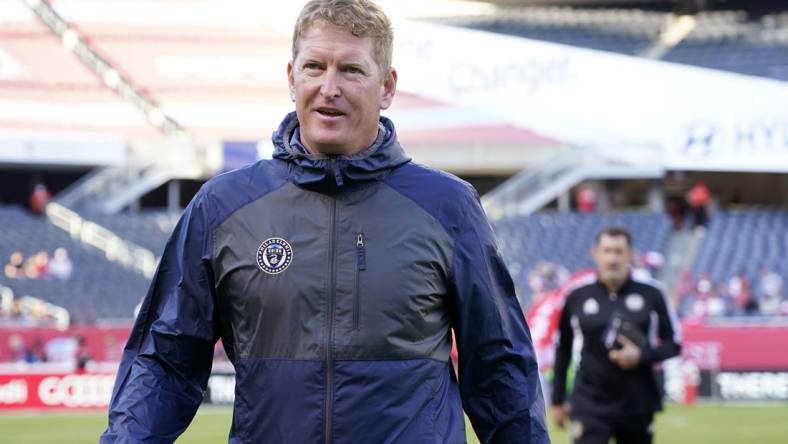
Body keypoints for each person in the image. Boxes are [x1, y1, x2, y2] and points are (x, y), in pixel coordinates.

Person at [101, 1, 548, 442]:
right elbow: (164, 359)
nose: (329, 87)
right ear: (292, 78)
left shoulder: (449, 207)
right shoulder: (222, 207)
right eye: (315, 67)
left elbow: (500, 367)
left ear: (387, 87)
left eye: (351, 70)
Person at [551, 226, 681, 444]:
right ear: (595, 253)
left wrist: (640, 356)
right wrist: (557, 400)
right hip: (590, 402)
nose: (612, 258)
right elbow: (563, 349)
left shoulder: (652, 294)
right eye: (607, 251)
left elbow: (674, 344)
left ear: (630, 254)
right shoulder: (577, 296)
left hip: (637, 402)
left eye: (619, 251)